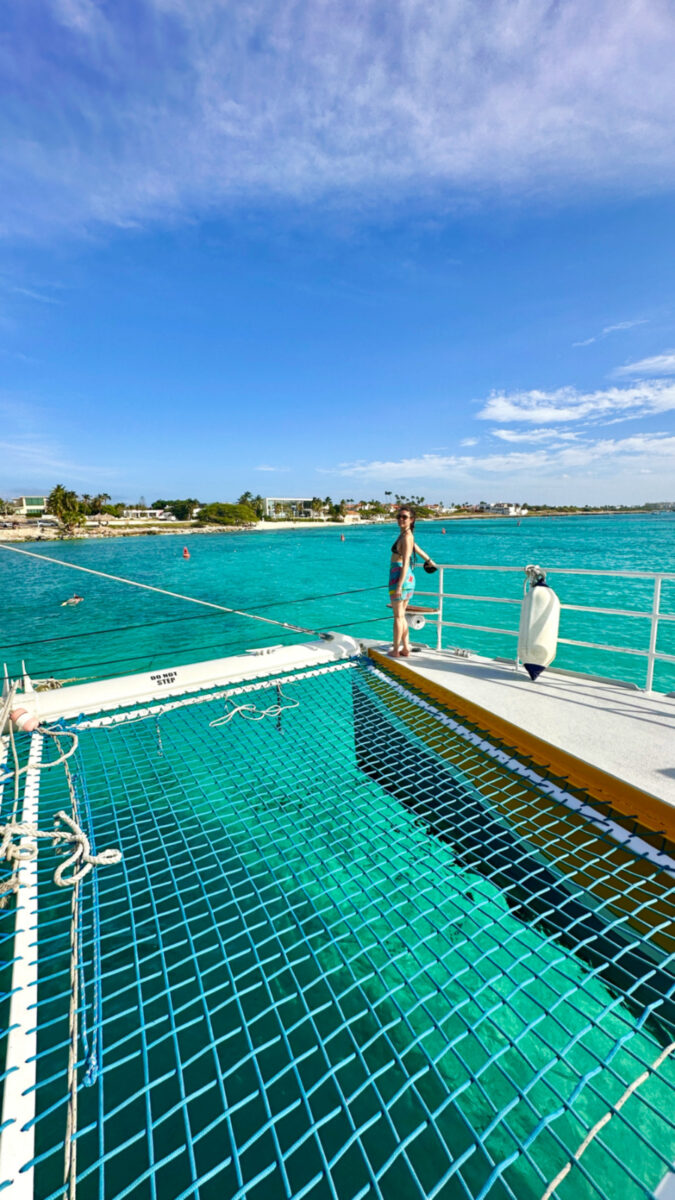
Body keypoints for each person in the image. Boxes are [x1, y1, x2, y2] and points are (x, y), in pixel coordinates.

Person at [389, 506, 435, 656]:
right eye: (399, 516)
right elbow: (417, 549)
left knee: (398, 616)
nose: (401, 519)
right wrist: (429, 560)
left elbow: (406, 562)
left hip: (400, 577)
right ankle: (405, 648)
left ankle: (396, 650)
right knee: (401, 615)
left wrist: (398, 586)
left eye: (404, 517)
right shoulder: (406, 535)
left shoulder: (407, 537)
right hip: (403, 577)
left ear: (411, 520)